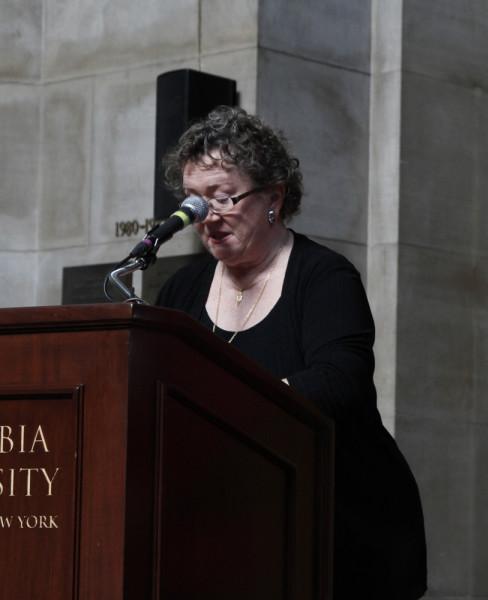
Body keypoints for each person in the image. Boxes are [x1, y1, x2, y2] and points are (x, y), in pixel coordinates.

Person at [155, 105, 427, 599]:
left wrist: (232, 409)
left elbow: (339, 380)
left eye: (222, 198)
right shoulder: (181, 290)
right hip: (231, 529)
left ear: (273, 197)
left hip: (342, 524)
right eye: (194, 203)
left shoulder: (324, 277)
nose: (207, 218)